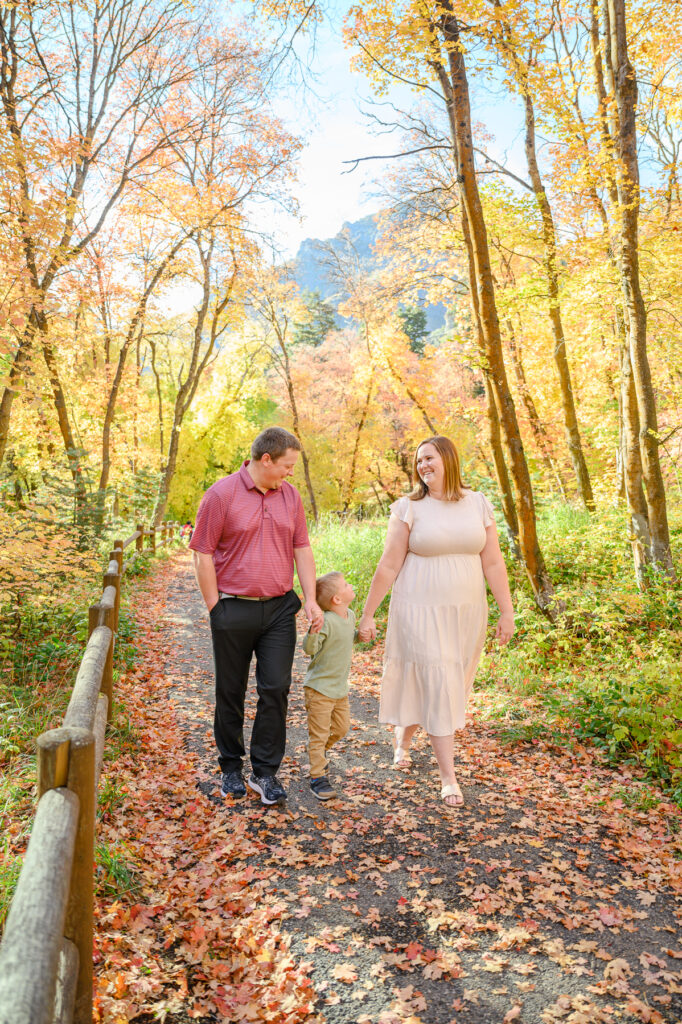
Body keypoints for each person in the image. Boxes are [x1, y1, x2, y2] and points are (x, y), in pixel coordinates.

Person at [357, 435, 514, 808]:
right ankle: (448, 778)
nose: (423, 465)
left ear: (448, 458)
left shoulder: (477, 503)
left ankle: (403, 738)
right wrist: (367, 613)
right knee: (439, 680)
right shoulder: (409, 508)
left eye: (429, 458)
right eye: (419, 461)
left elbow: (492, 562)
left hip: (465, 612)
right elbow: (389, 564)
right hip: (418, 608)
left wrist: (506, 611)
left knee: (444, 681)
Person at [189, 427, 324, 807]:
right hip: (233, 607)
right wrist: (216, 608)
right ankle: (230, 766)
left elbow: (302, 548)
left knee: (276, 689)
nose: (290, 473)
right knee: (230, 690)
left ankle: (265, 773)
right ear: (266, 460)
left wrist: (310, 599)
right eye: (287, 465)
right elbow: (202, 553)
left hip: (280, 609)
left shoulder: (291, 496)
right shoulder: (220, 495)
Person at [302, 572, 356, 801]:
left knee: (342, 728)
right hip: (319, 690)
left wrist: (361, 636)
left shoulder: (350, 615)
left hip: (339, 689)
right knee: (319, 734)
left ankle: (319, 753)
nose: (350, 585)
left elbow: (347, 637)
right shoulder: (325, 621)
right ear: (337, 599)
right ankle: (317, 777)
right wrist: (313, 632)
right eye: (345, 585)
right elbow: (309, 649)